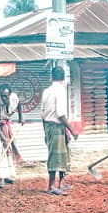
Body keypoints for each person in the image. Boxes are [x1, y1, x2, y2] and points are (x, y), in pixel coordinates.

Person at [41, 66, 78, 196]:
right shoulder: (60, 90)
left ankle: (61, 183)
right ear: (64, 77)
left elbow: (42, 113)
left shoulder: (47, 91)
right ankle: (51, 186)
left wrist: (45, 131)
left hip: (50, 126)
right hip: (56, 126)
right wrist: (72, 129)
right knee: (55, 156)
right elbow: (61, 114)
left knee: (63, 154)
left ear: (52, 76)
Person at [0, 83, 23, 189]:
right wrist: (4, 138)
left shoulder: (14, 98)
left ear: (10, 94)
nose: (4, 98)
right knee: (0, 153)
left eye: (6, 96)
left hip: (7, 126)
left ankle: (8, 175)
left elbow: (19, 105)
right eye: (2, 95)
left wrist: (21, 117)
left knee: (9, 152)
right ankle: (1, 179)